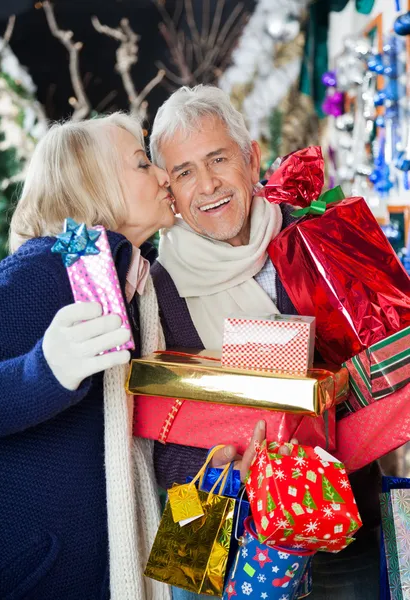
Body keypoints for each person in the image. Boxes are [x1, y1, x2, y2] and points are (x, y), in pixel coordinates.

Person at [149, 85, 381, 600]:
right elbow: (153, 438)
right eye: (184, 172)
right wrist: (227, 461)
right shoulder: (155, 288)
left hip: (342, 521)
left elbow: (381, 357)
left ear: (251, 157)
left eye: (218, 158)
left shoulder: (315, 237)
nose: (207, 184)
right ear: (169, 190)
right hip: (220, 535)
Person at [0, 113, 174, 600]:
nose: (163, 176)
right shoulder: (36, 275)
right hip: (36, 576)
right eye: (143, 164)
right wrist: (41, 372)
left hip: (101, 568)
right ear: (91, 183)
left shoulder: (133, 283)